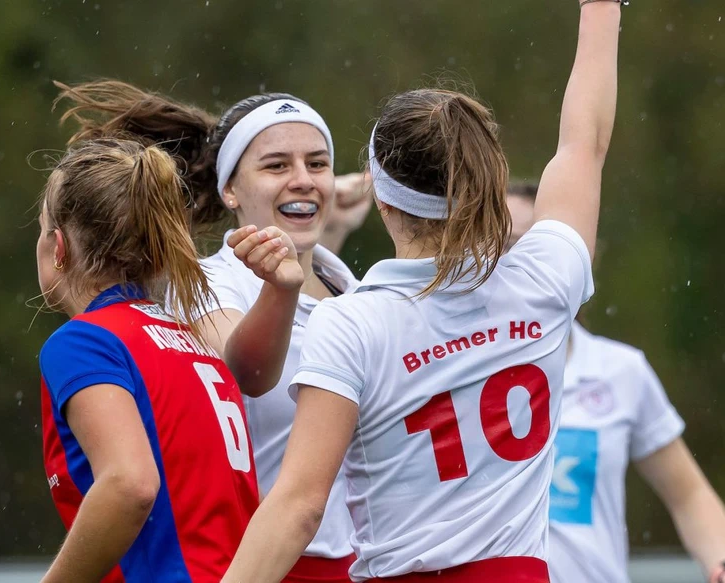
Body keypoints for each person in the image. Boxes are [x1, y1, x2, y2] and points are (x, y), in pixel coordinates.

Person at [222, 1, 622, 581]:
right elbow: (584, 144)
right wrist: (601, 10)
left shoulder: (351, 322)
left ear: (383, 201)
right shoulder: (544, 278)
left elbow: (300, 507)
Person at [54, 81, 368, 582]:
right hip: (264, 564)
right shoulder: (207, 283)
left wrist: (334, 230)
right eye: (276, 166)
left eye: (317, 164)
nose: (303, 180)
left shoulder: (354, 291)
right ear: (230, 191)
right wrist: (281, 289)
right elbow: (246, 370)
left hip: (362, 564)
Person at [35, 137, 285, 582]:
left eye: (40, 229)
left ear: (58, 248)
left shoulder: (85, 341)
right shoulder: (193, 341)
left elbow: (129, 485)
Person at [505, 183, 725, 583]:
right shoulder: (449, 367)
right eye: (504, 246)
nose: (518, 262)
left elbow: (689, 495)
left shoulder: (619, 371)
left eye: (532, 246)